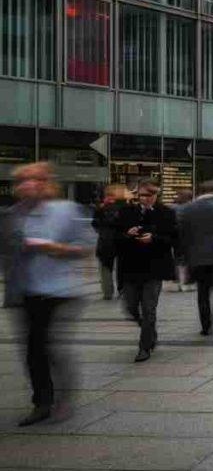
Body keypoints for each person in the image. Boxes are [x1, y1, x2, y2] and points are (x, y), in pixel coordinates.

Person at [7, 163, 94, 427]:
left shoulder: (67, 210)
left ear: (46, 182)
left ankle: (62, 398)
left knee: (49, 346)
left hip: (61, 290)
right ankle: (42, 402)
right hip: (26, 290)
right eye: (22, 180)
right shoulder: (13, 215)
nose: (27, 184)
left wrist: (54, 247)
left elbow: (87, 246)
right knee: (33, 349)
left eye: (33, 179)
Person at [116, 178, 178, 363]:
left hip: (154, 268)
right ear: (137, 195)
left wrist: (154, 238)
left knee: (149, 308)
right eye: (143, 195)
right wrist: (127, 234)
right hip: (130, 268)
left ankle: (144, 347)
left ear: (156, 195)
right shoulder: (126, 212)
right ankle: (149, 330)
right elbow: (113, 237)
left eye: (150, 195)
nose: (146, 199)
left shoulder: (166, 213)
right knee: (131, 307)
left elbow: (174, 238)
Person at [177, 182, 213, 336]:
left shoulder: (189, 208)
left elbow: (182, 232)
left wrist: (182, 255)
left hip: (196, 257)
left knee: (202, 293)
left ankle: (205, 323)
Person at [93, 184, 129, 300]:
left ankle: (108, 292)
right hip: (123, 241)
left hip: (105, 242)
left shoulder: (101, 209)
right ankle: (123, 290)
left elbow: (95, 224)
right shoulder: (128, 208)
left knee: (105, 268)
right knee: (123, 267)